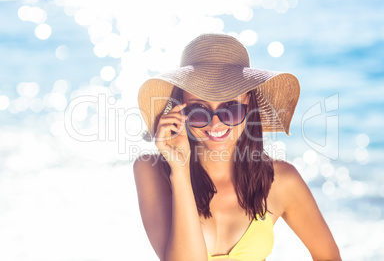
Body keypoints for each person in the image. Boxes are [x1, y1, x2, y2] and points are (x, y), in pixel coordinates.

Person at [134, 33, 341, 261]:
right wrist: (180, 171)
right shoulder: (151, 170)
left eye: (230, 107)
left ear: (249, 106)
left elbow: (328, 256)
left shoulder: (283, 180)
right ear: (179, 111)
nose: (216, 122)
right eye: (198, 109)